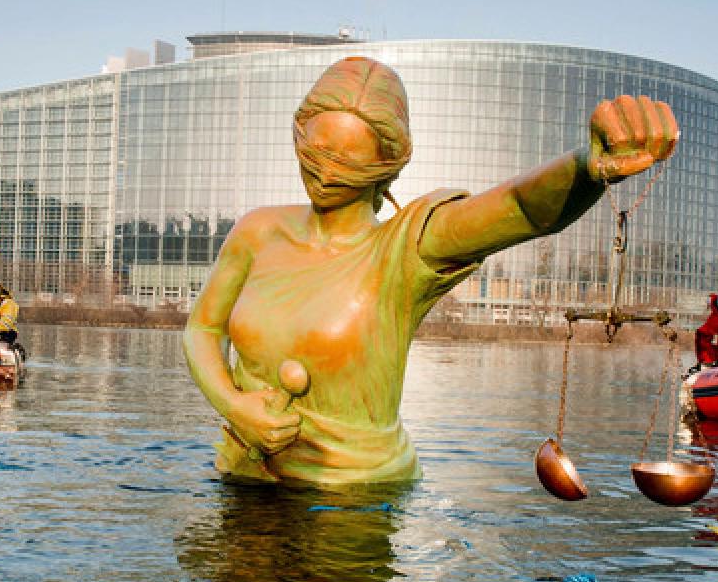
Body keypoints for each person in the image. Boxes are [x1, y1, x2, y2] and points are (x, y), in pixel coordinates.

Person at [183, 55, 679, 485]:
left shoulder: (405, 247)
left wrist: (586, 166)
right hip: (243, 480)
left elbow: (520, 210)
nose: (326, 172)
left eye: (346, 162)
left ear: (388, 165)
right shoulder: (258, 231)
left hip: (350, 504)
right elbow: (202, 329)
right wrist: (233, 406)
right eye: (315, 156)